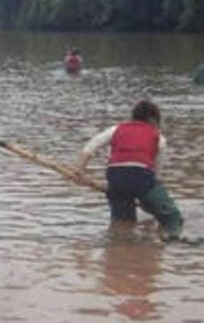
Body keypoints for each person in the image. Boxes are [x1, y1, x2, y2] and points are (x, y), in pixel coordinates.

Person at [75, 100, 184, 241]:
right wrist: (150, 200)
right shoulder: (159, 138)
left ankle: (120, 247)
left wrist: (80, 171)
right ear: (153, 120)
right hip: (142, 177)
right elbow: (156, 174)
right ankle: (172, 241)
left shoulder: (116, 129)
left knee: (123, 221)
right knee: (173, 217)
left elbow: (90, 147)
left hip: (115, 177)